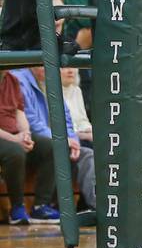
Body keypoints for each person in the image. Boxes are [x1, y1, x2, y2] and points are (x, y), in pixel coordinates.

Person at [13, 66, 96, 211]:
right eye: (43, 63)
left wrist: (73, 140)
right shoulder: (19, 80)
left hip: (56, 139)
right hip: (32, 139)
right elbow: (32, 122)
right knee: (56, 148)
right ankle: (44, 205)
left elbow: (67, 117)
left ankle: (94, 206)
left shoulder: (50, 80)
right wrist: (62, 139)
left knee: (86, 154)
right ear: (32, 64)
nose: (50, 67)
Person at [0, 70, 60, 224]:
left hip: (14, 135)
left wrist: (25, 134)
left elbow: (19, 112)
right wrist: (14, 139)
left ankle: (41, 206)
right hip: (6, 139)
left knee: (51, 146)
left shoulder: (12, 79)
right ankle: (17, 208)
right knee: (15, 151)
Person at [61, 67, 92, 147]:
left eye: (73, 67)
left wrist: (89, 130)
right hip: (67, 139)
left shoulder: (77, 90)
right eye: (64, 68)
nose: (70, 71)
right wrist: (83, 135)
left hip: (81, 136)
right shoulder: (51, 92)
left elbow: (82, 120)